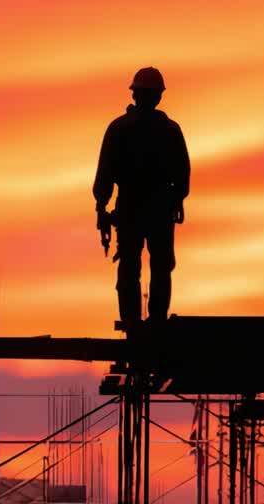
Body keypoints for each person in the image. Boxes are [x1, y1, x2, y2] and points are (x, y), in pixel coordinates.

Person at [93, 66, 190, 330]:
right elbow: (182, 173)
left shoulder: (121, 129)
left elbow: (105, 173)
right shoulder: (168, 131)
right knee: (154, 266)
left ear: (135, 94)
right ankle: (151, 321)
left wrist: (101, 205)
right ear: (158, 96)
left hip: (137, 208)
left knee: (134, 265)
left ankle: (134, 320)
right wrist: (177, 198)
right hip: (155, 208)